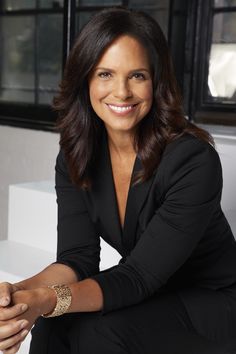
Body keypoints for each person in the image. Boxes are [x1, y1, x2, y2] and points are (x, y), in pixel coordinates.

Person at [0, 6, 236, 354]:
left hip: (211, 304)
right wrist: (18, 297)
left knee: (100, 333)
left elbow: (138, 276)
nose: (121, 92)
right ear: (86, 80)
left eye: (137, 75)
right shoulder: (75, 155)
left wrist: (45, 300)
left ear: (156, 81)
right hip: (150, 288)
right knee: (56, 324)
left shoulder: (192, 159)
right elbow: (77, 260)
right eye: (105, 74)